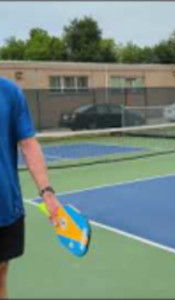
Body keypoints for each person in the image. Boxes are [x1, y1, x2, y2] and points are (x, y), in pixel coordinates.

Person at [0, 75, 60, 299]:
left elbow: (28, 143)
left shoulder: (9, 92)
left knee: (1, 272)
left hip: (5, 205)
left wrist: (47, 192)